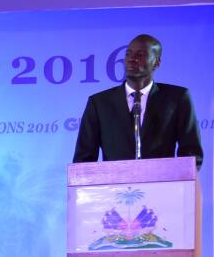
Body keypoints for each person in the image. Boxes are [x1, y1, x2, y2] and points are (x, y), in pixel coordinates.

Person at [73, 34, 203, 169]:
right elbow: (83, 160)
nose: (131, 59)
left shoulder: (177, 98)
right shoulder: (99, 103)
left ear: (156, 62)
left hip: (164, 187)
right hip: (115, 187)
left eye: (140, 55)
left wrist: (181, 182)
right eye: (128, 54)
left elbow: (191, 152)